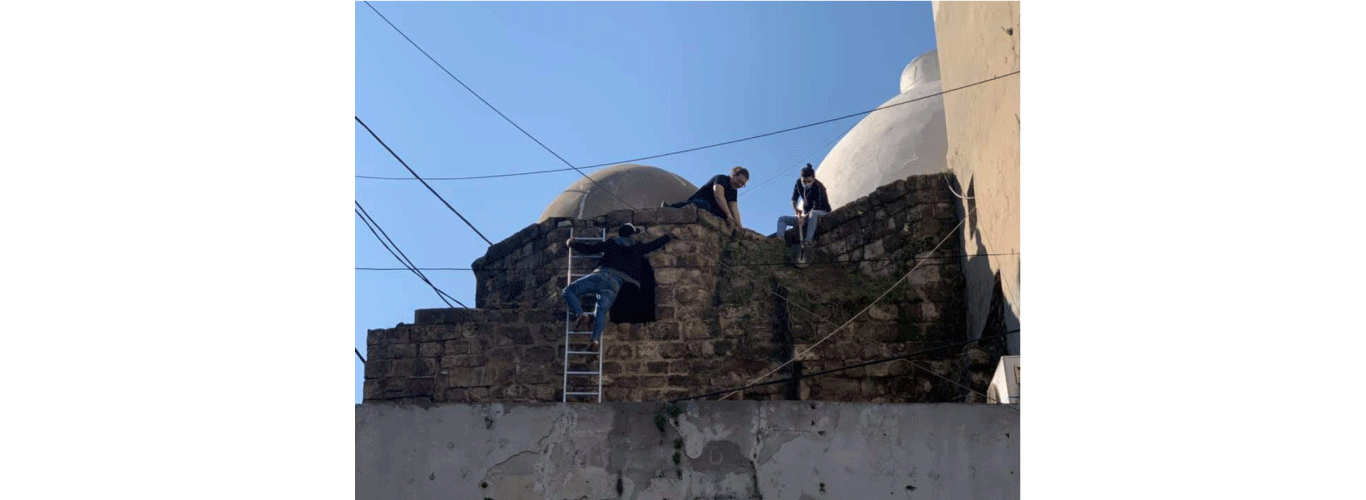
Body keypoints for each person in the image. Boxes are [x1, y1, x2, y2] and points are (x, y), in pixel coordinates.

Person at [562, 223, 673, 352]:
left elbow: (590, 249)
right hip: (615, 282)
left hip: (601, 275)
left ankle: (580, 314)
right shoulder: (638, 247)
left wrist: (573, 243)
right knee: (602, 310)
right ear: (632, 235)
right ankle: (595, 339)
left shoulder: (611, 242)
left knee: (568, 291)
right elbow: (654, 245)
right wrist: (668, 236)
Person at [663, 166, 749, 232]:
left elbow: (734, 209)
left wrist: (740, 228)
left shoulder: (734, 191)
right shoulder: (721, 179)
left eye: (743, 184)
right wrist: (728, 214)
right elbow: (719, 196)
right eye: (739, 181)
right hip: (701, 201)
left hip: (712, 209)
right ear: (733, 175)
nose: (740, 185)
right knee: (705, 205)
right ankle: (670, 208)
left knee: (726, 219)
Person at [776, 164, 832, 249]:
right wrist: (796, 209)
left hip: (821, 212)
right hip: (806, 216)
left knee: (813, 214)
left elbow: (817, 207)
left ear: (813, 179)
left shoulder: (818, 187)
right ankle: (780, 240)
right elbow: (794, 198)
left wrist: (804, 218)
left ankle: (808, 241)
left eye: (809, 181)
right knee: (782, 219)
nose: (806, 184)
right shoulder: (799, 183)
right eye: (804, 182)